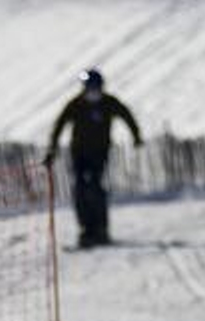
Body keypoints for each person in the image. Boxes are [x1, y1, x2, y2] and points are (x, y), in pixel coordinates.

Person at [43, 68, 142, 247]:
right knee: (80, 188)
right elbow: (59, 124)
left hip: (100, 152)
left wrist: (136, 136)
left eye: (96, 88)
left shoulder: (109, 103)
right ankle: (86, 230)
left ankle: (101, 229)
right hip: (78, 153)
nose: (93, 93)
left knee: (95, 187)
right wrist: (53, 147)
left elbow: (127, 115)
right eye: (90, 89)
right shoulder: (76, 104)